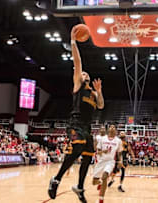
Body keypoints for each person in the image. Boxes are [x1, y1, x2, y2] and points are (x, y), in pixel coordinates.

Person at [48, 25, 105, 203]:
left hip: (87, 127)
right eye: (82, 73)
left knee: (88, 157)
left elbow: (101, 106)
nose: (84, 74)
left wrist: (99, 91)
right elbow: (78, 63)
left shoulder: (93, 93)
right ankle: (56, 179)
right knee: (77, 148)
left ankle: (79, 187)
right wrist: (73, 41)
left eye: (86, 74)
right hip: (75, 123)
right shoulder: (78, 85)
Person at [92, 125, 122, 203]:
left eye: (114, 127)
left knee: (105, 176)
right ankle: (101, 183)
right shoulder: (102, 139)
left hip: (110, 161)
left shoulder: (118, 141)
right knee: (94, 182)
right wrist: (103, 151)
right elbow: (97, 151)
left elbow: (119, 153)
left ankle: (101, 199)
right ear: (108, 129)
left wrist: (120, 161)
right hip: (101, 161)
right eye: (111, 127)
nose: (112, 128)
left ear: (116, 130)